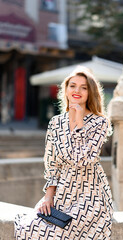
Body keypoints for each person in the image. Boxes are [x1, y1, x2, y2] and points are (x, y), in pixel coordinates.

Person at [14, 66, 113, 239]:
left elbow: (82, 159)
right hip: (62, 192)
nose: (77, 90)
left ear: (90, 93)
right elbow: (52, 163)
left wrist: (79, 121)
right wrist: (48, 196)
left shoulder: (100, 123)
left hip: (90, 194)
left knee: (57, 233)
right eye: (72, 85)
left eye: (84, 87)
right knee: (27, 228)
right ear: (65, 89)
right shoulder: (56, 123)